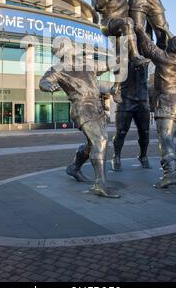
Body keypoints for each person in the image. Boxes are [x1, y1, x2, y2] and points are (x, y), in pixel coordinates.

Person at [39, 38, 120, 198]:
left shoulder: (87, 64)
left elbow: (110, 64)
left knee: (92, 144)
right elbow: (44, 81)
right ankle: (100, 184)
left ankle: (74, 167)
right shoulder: (58, 69)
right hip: (82, 107)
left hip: (97, 106)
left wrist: (122, 49)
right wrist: (47, 85)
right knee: (101, 141)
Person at [134, 24, 176, 188]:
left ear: (171, 47)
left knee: (166, 138)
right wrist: (166, 31)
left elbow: (149, 47)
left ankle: (170, 175)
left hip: (168, 101)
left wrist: (140, 31)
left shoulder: (164, 58)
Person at [111, 63, 151, 171]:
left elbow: (160, 47)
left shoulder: (145, 52)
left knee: (145, 132)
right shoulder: (122, 56)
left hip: (142, 99)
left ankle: (143, 156)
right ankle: (116, 156)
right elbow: (116, 70)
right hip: (126, 98)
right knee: (121, 132)